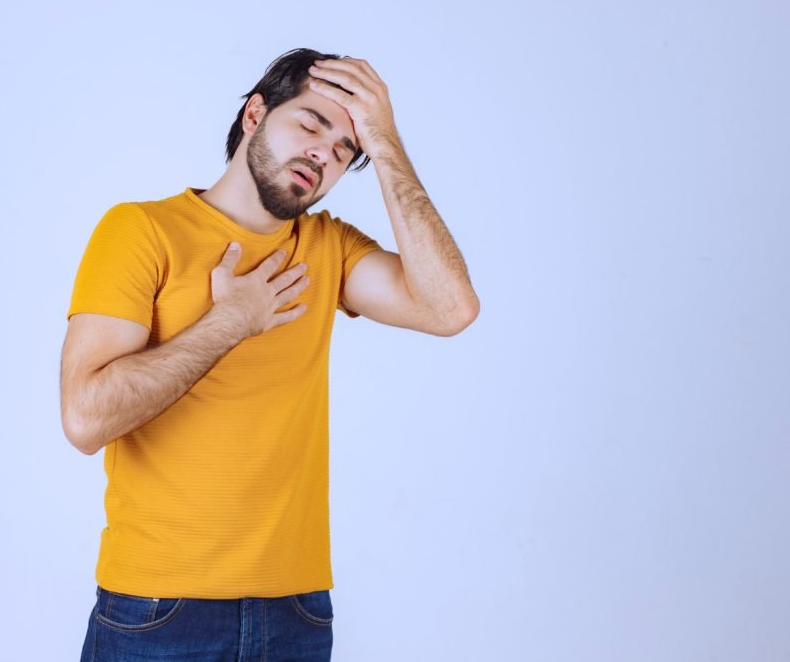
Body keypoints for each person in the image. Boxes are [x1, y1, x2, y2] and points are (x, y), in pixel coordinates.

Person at [60, 47, 479, 661]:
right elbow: (85, 418)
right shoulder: (140, 230)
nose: (322, 153)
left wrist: (386, 144)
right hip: (158, 608)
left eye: (344, 149)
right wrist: (227, 323)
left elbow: (451, 308)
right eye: (311, 124)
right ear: (256, 113)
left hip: (297, 612)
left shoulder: (328, 247)